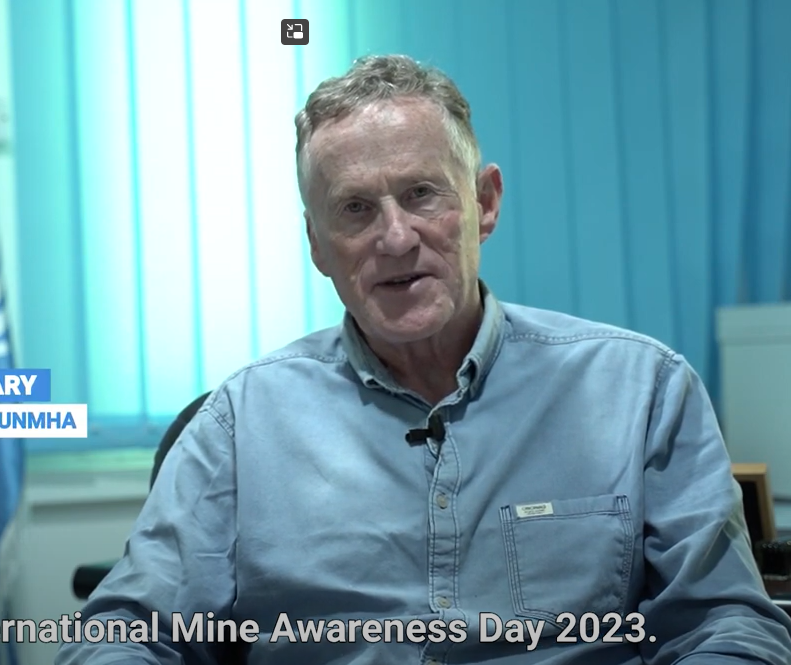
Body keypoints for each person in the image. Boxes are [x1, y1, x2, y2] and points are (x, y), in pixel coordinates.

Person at [56, 54, 791, 664]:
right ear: (316, 245)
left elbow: (726, 625)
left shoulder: (640, 390)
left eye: (421, 195)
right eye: (355, 209)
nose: (396, 238)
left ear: (484, 203)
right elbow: (124, 632)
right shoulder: (240, 422)